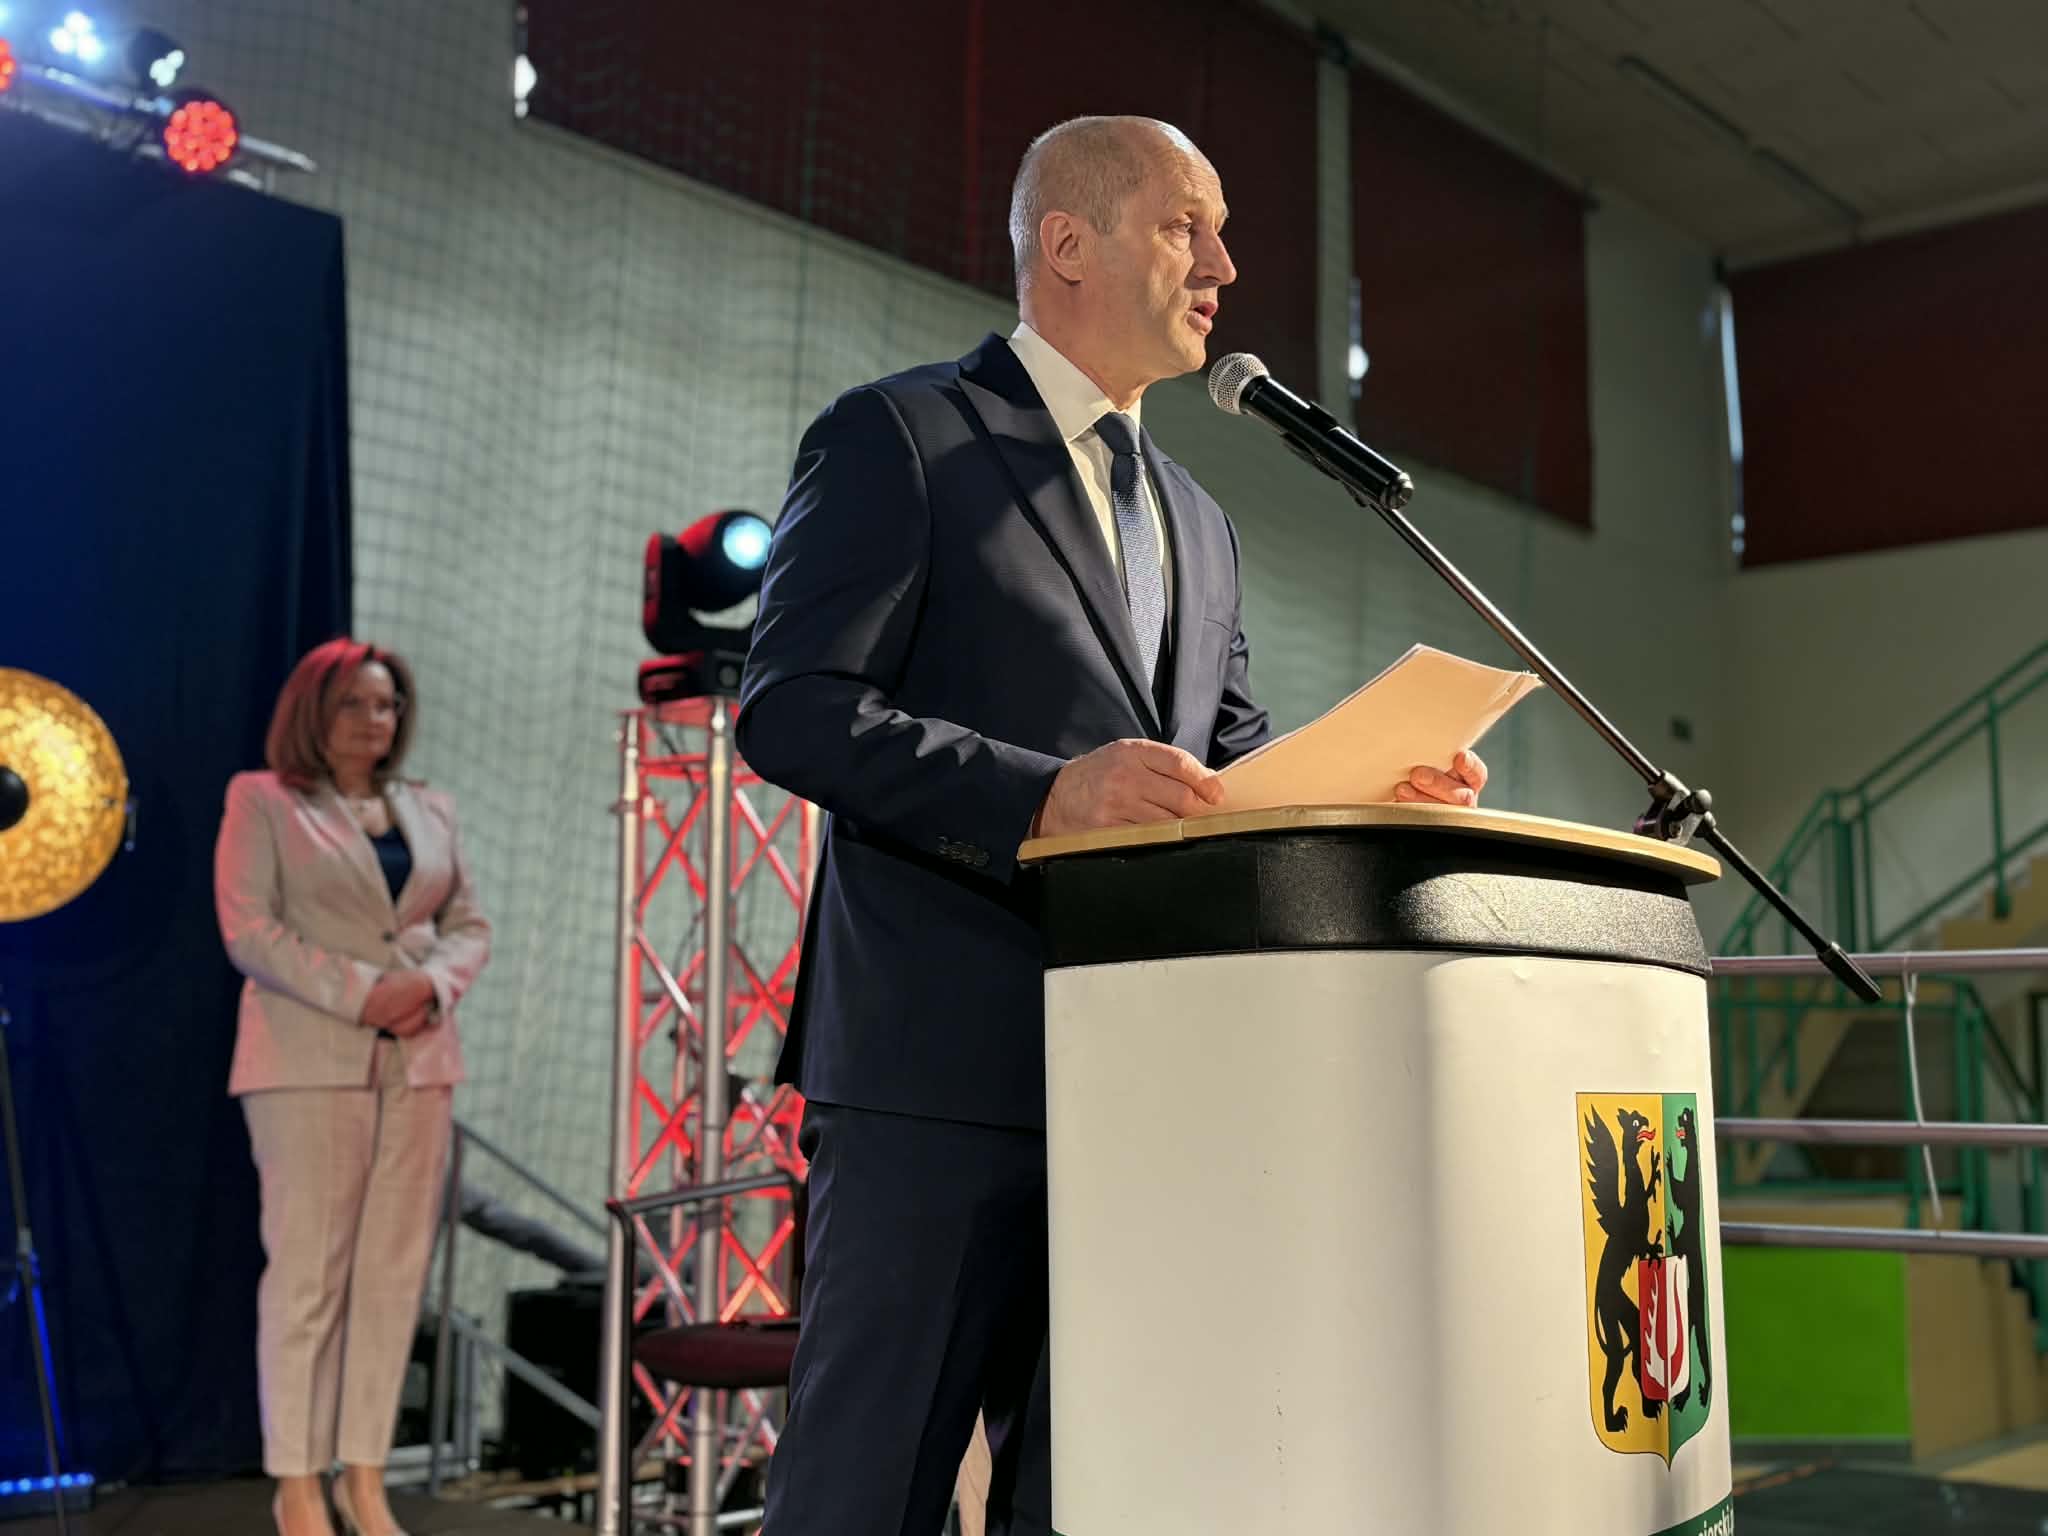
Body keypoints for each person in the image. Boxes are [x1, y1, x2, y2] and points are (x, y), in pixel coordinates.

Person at [737, 115, 1486, 1536]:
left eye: (1221, 233)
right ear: (1068, 243)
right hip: (936, 1075)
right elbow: (792, 708)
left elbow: (1226, 763)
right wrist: (1039, 793)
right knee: (866, 1490)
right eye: (1185, 226)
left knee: (1088, 1496)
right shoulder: (902, 436)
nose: (1225, 265)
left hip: (1143, 1078)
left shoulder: (1197, 518)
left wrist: (1369, 790)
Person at [214, 639, 491, 1536]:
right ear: (314, 711)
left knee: (392, 1277)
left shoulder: (429, 807)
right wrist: (368, 993)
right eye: (356, 705)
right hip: (308, 1062)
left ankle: (363, 1479)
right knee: (309, 1275)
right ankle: (297, 1483)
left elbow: (470, 923)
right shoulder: (262, 799)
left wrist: (431, 985)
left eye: (388, 705)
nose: (377, 721)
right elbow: (249, 928)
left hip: (420, 1060)